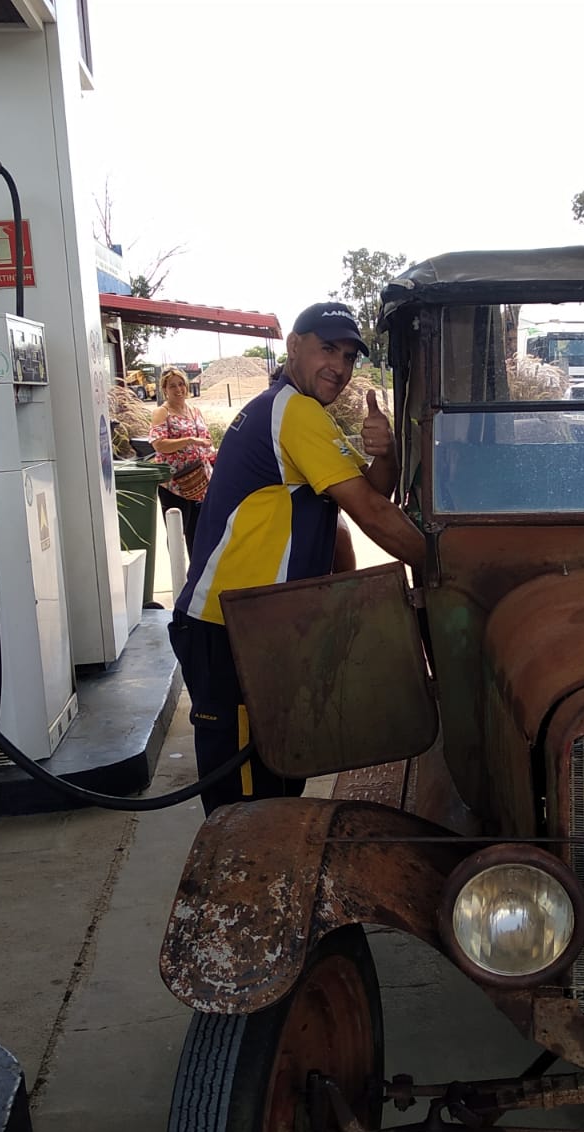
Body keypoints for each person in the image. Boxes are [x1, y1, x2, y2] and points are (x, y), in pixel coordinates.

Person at [169, 301, 426, 814]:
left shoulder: (295, 412)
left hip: (264, 624)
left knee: (277, 775)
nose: (341, 365)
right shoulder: (293, 411)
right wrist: (448, 566)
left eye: (350, 355)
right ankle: (243, 889)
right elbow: (372, 512)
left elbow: (369, 486)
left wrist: (388, 453)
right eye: (328, 348)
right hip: (229, 629)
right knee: (243, 804)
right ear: (293, 347)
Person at [148, 367, 213, 551]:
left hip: (200, 483)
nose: (178, 389)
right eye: (172, 386)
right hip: (175, 486)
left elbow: (206, 441)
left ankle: (196, 575)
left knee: (199, 534)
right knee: (177, 534)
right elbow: (158, 444)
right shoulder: (162, 413)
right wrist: (189, 440)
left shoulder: (195, 411)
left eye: (181, 384)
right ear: (164, 390)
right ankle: (178, 575)